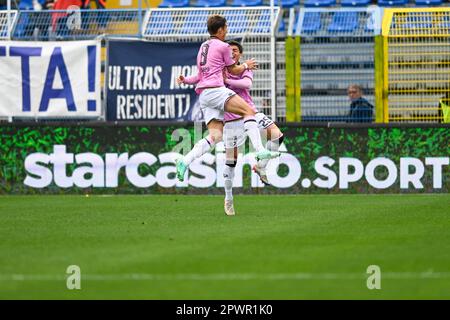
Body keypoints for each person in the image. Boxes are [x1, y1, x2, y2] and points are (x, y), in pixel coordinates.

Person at [175, 15, 280, 182]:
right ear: (220, 30)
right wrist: (246, 65)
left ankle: (185, 160)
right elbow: (234, 70)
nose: (227, 31)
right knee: (248, 110)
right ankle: (260, 150)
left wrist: (185, 80)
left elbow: (200, 75)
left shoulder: (203, 46)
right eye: (226, 28)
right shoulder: (223, 46)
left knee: (215, 136)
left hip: (204, 96)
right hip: (216, 91)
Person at [221, 40, 284, 216]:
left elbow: (247, 85)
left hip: (250, 113)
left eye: (235, 50)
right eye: (229, 50)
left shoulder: (244, 68)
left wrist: (226, 80)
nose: (232, 53)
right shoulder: (220, 69)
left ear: (240, 54)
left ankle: (261, 165)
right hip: (231, 120)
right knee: (231, 162)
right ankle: (228, 198)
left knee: (277, 136)